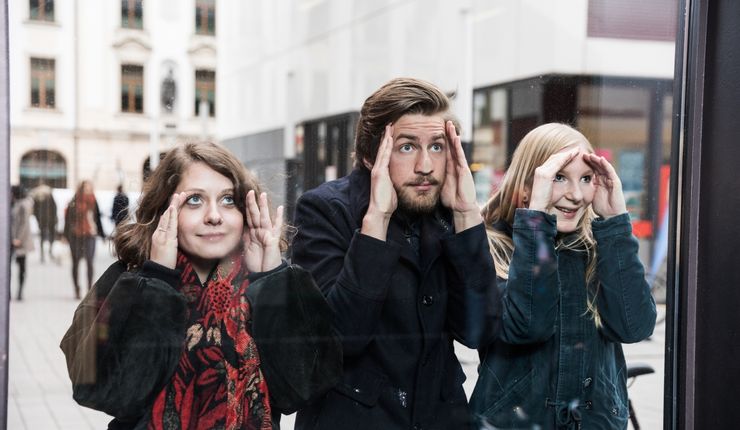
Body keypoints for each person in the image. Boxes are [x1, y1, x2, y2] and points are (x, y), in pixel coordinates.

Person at [60, 141, 340, 430]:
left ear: (246, 208)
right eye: (194, 200)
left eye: (228, 200)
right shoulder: (128, 280)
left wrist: (271, 276)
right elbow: (104, 393)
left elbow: (304, 389)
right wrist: (157, 279)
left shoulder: (272, 282)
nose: (214, 215)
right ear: (164, 208)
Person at [291, 77, 500, 429]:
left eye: (437, 147)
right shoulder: (325, 210)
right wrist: (377, 223)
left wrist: (466, 216)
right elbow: (337, 342)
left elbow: (479, 331)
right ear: (373, 154)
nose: (425, 166)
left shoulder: (449, 213)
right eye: (407, 147)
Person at [469, 123, 657, 429]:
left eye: (586, 179)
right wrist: (536, 223)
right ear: (527, 184)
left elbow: (634, 327)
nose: (575, 195)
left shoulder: (601, 245)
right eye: (558, 178)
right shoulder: (492, 246)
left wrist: (615, 222)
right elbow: (528, 326)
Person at [64, 180, 106, 299]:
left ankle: (89, 289)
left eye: (89, 188)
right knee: (76, 263)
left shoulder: (93, 200)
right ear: (81, 188)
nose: (88, 190)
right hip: (76, 235)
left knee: (90, 262)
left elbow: (97, 218)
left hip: (90, 235)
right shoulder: (75, 200)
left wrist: (102, 234)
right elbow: (68, 219)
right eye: (85, 188)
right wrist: (65, 235)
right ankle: (77, 288)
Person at [11, 185, 35, 300]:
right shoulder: (15, 203)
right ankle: (9, 291)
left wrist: (18, 239)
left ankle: (20, 290)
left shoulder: (23, 205)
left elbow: (24, 223)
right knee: (12, 267)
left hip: (20, 241)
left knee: (21, 266)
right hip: (13, 240)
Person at [30, 182, 58, 263]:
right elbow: (54, 208)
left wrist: (39, 219)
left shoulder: (44, 198)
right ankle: (46, 253)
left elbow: (54, 208)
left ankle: (46, 252)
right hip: (47, 220)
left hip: (46, 220)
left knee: (45, 237)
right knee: (46, 237)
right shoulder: (42, 198)